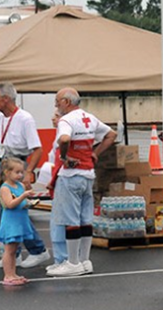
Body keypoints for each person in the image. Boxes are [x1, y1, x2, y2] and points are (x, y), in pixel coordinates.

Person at [46, 87, 117, 277]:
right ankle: (85, 260)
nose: (56, 104)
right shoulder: (90, 118)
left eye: (57, 100)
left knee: (70, 219)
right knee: (86, 218)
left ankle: (72, 262)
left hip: (71, 175)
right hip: (88, 174)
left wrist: (64, 156)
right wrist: (95, 153)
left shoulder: (66, 120)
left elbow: (65, 138)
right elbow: (112, 134)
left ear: (66, 102)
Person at [0, 82, 50, 268]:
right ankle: (13, 254)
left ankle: (38, 250)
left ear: (5, 99)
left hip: (16, 163)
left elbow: (37, 149)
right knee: (4, 210)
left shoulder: (25, 119)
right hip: (3, 164)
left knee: (16, 210)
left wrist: (28, 171)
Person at [0, 157, 37, 286]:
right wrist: (23, 196)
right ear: (7, 173)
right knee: (9, 250)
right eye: (17, 172)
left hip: (20, 220)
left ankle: (13, 273)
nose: (20, 175)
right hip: (11, 222)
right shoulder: (5, 188)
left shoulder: (20, 185)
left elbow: (21, 203)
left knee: (15, 250)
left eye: (21, 172)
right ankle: (8, 275)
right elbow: (10, 204)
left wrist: (29, 203)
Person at [43, 110, 69, 273]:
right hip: (58, 180)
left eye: (57, 115)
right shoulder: (58, 136)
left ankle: (63, 258)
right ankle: (61, 258)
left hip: (60, 182)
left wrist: (51, 182)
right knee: (57, 222)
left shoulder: (63, 138)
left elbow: (60, 162)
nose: (53, 118)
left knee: (59, 222)